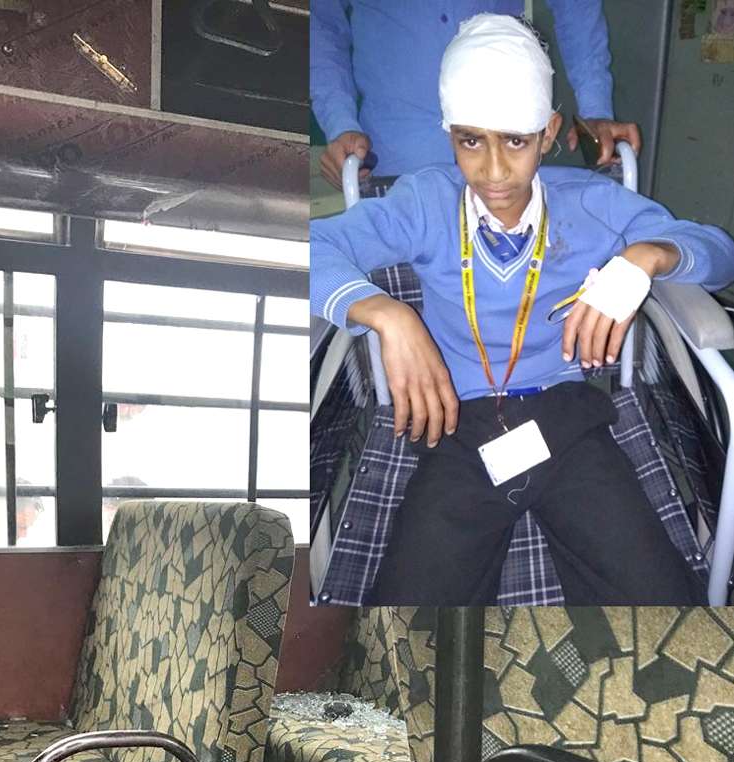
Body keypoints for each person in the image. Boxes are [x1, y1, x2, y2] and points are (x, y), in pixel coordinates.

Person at [310, 14, 734, 605]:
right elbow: (311, 247)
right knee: (408, 618)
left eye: (515, 140)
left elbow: (720, 254)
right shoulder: (426, 201)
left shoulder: (589, 202)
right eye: (470, 141)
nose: (493, 170)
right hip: (454, 423)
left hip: (570, 419)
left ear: (549, 131)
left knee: (657, 601)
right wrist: (384, 312)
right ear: (449, 135)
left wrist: (648, 256)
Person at [312, 0, 641, 189]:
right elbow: (323, 24)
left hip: (507, 144)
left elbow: (575, 7)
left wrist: (596, 109)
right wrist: (340, 124)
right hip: (394, 158)